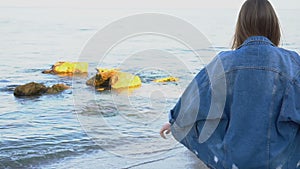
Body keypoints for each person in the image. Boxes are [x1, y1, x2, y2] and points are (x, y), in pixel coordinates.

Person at [160, 0, 300, 168]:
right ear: (274, 27)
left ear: (241, 27)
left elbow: (194, 101)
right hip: (281, 163)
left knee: (207, 120)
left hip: (232, 162)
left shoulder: (223, 63)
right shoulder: (293, 63)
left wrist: (175, 121)